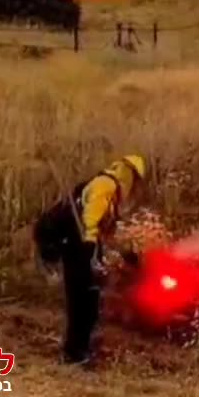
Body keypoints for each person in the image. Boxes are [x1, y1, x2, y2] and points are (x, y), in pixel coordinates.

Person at [33, 154, 146, 367]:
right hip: (71, 243)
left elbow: (105, 231)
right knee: (81, 302)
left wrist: (125, 253)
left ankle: (79, 351)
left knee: (89, 301)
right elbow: (91, 222)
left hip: (78, 244)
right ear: (129, 174)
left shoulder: (111, 193)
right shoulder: (106, 186)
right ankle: (73, 355)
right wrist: (90, 249)